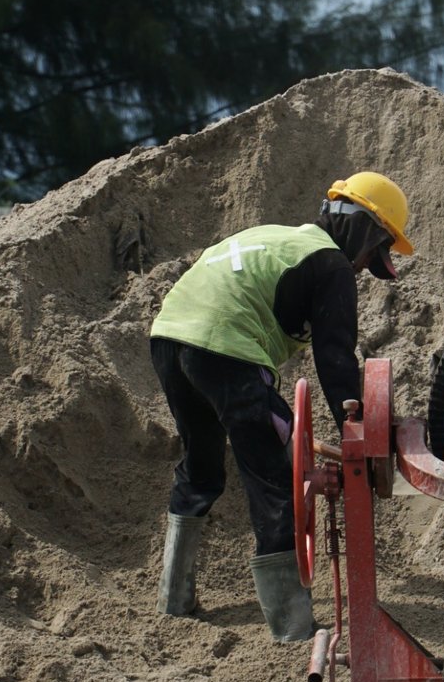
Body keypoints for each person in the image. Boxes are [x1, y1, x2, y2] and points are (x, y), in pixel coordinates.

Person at [149, 172, 415, 641]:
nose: (361, 269)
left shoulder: (277, 238)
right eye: (372, 255)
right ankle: (292, 627)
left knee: (201, 467)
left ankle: (174, 600)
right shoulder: (330, 263)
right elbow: (335, 359)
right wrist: (357, 432)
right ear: (364, 231)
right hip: (227, 347)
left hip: (169, 337)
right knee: (276, 480)